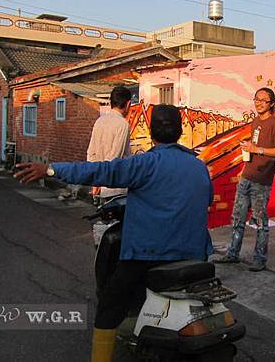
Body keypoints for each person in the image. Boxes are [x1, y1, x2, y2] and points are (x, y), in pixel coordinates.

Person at [14, 104, 213, 362]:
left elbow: (102, 171)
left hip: (149, 254)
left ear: (151, 132)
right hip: (196, 254)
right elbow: (205, 200)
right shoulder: (198, 166)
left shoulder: (146, 163)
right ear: (181, 130)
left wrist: (51, 169)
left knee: (110, 303)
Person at [216, 87, 275, 272]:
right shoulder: (256, 122)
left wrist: (257, 150)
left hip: (262, 180)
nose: (259, 103)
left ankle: (260, 259)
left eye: (263, 100)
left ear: (271, 104)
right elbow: (255, 147)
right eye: (256, 99)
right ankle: (233, 253)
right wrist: (247, 156)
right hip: (247, 176)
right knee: (237, 217)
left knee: (260, 221)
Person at [87, 86, 133, 203]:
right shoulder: (122, 124)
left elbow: (91, 153)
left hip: (100, 183)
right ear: (128, 104)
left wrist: (95, 181)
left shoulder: (100, 121)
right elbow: (115, 158)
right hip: (115, 186)